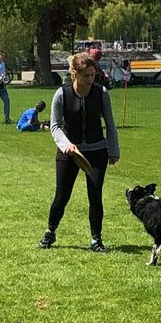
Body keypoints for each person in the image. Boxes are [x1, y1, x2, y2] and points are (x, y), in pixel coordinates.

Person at [38, 52, 121, 252]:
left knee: (95, 196)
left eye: (93, 75)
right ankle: (50, 232)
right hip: (69, 152)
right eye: (86, 76)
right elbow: (55, 126)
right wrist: (66, 144)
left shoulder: (101, 93)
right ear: (74, 73)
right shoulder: (61, 94)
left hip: (97, 151)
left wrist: (113, 149)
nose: (91, 79)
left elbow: (110, 124)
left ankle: (96, 240)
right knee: (62, 195)